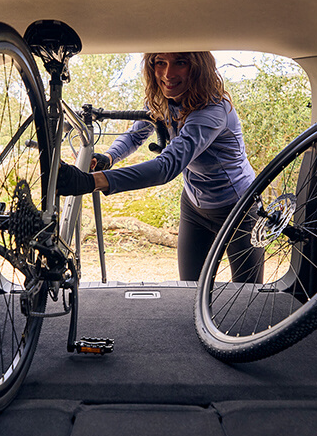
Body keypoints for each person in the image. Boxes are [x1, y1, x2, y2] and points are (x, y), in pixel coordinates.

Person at [56, 52, 263, 282]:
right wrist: (108, 157)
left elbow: (167, 166)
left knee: (247, 296)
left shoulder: (212, 109)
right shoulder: (162, 100)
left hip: (239, 208)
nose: (168, 74)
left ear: (198, 67)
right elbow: (135, 135)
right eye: (160, 63)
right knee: (189, 291)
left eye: (180, 63)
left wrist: (93, 181)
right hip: (194, 207)